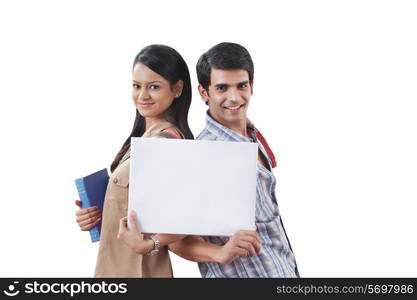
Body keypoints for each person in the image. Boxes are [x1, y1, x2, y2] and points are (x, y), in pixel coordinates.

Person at [75, 44, 260, 278]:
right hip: (117, 267)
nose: (142, 95)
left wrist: (151, 243)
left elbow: (186, 219)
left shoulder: (166, 143)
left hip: (138, 271)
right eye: (136, 86)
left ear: (177, 89)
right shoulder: (147, 139)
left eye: (154, 87)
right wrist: (100, 213)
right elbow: (143, 209)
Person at [118, 43, 299, 278]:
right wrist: (220, 252)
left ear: (251, 86)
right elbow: (178, 236)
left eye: (241, 85)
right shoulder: (202, 152)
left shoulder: (252, 136)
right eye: (222, 87)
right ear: (204, 92)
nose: (234, 97)